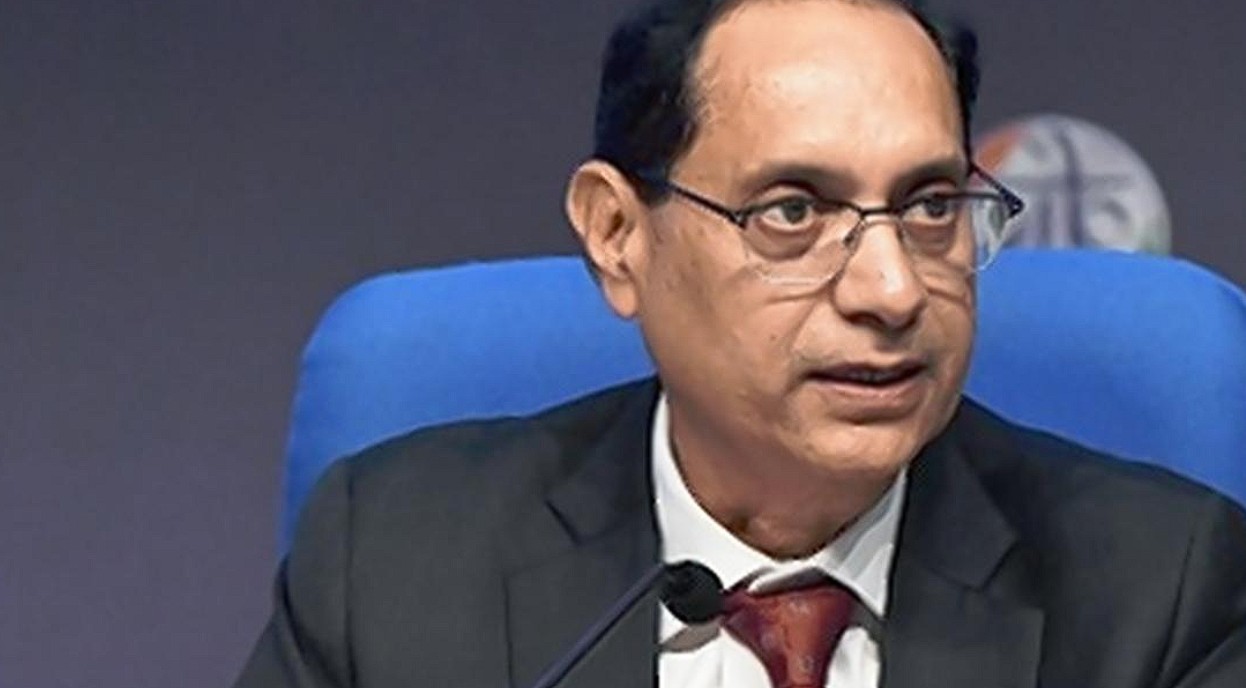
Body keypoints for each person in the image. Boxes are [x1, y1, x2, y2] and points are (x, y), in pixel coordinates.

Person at [234, 0, 1246, 686]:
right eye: (793, 212)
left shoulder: (1160, 596)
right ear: (617, 235)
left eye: (930, 206)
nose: (893, 289)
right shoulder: (392, 564)